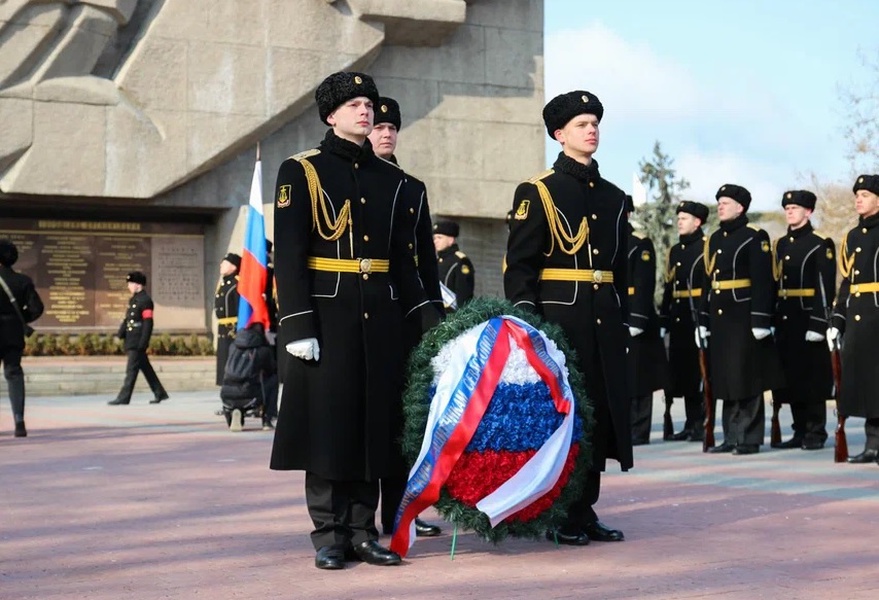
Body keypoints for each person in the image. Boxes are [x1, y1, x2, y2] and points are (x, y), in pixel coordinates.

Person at [269, 71, 437, 570]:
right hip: (323, 319)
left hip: (379, 321)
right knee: (328, 428)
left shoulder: (395, 182)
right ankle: (328, 534)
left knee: (372, 425)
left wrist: (430, 325)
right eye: (355, 104)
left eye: (369, 103)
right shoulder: (302, 171)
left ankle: (364, 531)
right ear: (331, 115)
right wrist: (297, 323)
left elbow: (405, 265)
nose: (366, 111)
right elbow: (292, 253)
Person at [505, 89, 630, 546]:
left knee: (597, 416)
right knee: (563, 419)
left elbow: (622, 267)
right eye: (581, 124)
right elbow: (520, 266)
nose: (591, 129)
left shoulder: (616, 198)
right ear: (559, 135)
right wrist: (528, 321)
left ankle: (585, 508)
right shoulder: (538, 192)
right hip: (560, 319)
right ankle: (559, 511)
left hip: (604, 318)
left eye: (595, 122)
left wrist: (626, 317)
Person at [367, 95, 444, 538]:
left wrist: (435, 317)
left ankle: (400, 511)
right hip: (367, 309)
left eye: (392, 127)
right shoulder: (355, 182)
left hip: (407, 314)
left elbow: (426, 263)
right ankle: (363, 514)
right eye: (378, 126)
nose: (385, 132)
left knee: (406, 416)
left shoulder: (412, 187)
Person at [699, 184, 783, 455]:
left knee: (747, 377)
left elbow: (763, 282)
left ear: (741, 207)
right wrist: (703, 319)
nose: (720, 206)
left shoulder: (754, 236)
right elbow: (707, 283)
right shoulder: (714, 239)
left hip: (744, 317)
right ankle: (731, 436)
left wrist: (761, 319)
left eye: (726, 202)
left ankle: (749, 437)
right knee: (724, 378)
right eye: (719, 202)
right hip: (720, 319)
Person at [770, 190, 835, 451]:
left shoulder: (820, 243)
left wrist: (820, 323)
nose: (789, 211)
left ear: (808, 212)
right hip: (786, 318)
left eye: (795, 207)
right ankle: (798, 430)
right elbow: (776, 284)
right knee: (790, 377)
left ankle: (815, 431)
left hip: (808, 317)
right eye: (787, 207)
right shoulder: (781, 245)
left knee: (812, 378)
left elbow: (825, 286)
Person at [829, 175, 879, 463]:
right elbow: (847, 282)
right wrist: (837, 320)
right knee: (865, 382)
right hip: (859, 318)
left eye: (865, 194)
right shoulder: (852, 236)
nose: (858, 199)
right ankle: (873, 443)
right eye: (856, 194)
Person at [659, 201, 710, 442]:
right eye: (678, 218)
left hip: (696, 316)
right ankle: (690, 423)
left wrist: (704, 318)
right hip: (679, 319)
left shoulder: (706, 247)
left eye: (685, 218)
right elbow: (670, 287)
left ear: (698, 222)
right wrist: (664, 318)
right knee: (684, 374)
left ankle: (701, 423)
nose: (679, 221)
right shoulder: (675, 251)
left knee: (699, 373)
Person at [626, 195, 670, 445]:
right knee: (624, 376)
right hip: (618, 316)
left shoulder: (639, 243)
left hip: (636, 316)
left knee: (639, 377)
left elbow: (643, 284)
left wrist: (638, 319)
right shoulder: (608, 241)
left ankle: (639, 429)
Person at [0, 239, 44, 437]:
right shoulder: (23, 281)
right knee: (14, 375)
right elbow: (37, 308)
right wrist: (19, 319)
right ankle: (19, 420)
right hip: (13, 335)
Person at [108, 271, 169, 405]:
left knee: (131, 370)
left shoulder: (145, 301)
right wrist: (121, 332)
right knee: (146, 369)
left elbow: (148, 323)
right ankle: (160, 393)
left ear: (138, 285)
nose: (129, 286)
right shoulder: (134, 300)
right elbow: (128, 319)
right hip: (131, 339)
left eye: (130, 283)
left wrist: (143, 342)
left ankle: (124, 397)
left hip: (137, 341)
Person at [220, 322, 278, 432]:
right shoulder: (263, 350)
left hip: (227, 394)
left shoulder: (232, 347)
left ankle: (234, 414)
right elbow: (271, 369)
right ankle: (267, 419)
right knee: (273, 380)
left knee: (238, 384)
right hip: (250, 395)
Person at [433, 220, 474, 310]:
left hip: (451, 315)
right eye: (435, 238)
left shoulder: (460, 261)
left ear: (451, 240)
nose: (436, 241)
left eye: (440, 238)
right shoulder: (436, 261)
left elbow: (464, 295)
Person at [214, 253, 240, 386]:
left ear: (233, 267)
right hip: (223, 328)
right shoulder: (223, 284)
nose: (221, 265)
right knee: (223, 361)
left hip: (233, 328)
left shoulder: (237, 284)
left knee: (232, 361)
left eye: (224, 263)